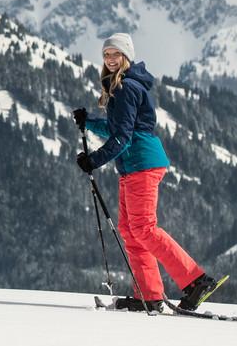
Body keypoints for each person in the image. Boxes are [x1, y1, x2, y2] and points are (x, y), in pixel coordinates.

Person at [72, 32, 222, 313]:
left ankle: (196, 280)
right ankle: (149, 294)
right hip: (132, 165)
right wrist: (90, 122)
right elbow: (118, 129)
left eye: (116, 54)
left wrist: (94, 160)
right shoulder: (120, 86)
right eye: (107, 54)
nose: (111, 59)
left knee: (143, 228)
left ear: (126, 56)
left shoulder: (127, 87)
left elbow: (124, 138)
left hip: (141, 162)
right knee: (131, 231)